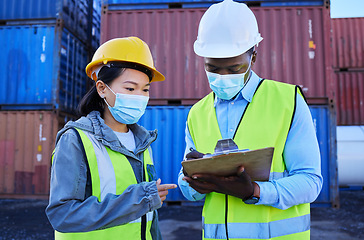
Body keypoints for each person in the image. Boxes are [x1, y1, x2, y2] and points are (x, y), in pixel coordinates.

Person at [178, 0, 323, 239]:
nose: (222, 76)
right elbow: (185, 185)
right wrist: (192, 183)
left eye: (234, 69)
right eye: (213, 68)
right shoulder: (197, 113)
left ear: (253, 55)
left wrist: (255, 190)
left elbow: (311, 181)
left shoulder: (288, 101)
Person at [46, 36, 177, 240]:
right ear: (101, 89)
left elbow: (150, 219)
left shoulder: (142, 142)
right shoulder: (76, 140)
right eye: (130, 88)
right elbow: (63, 215)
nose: (139, 97)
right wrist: (140, 198)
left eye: (145, 90)